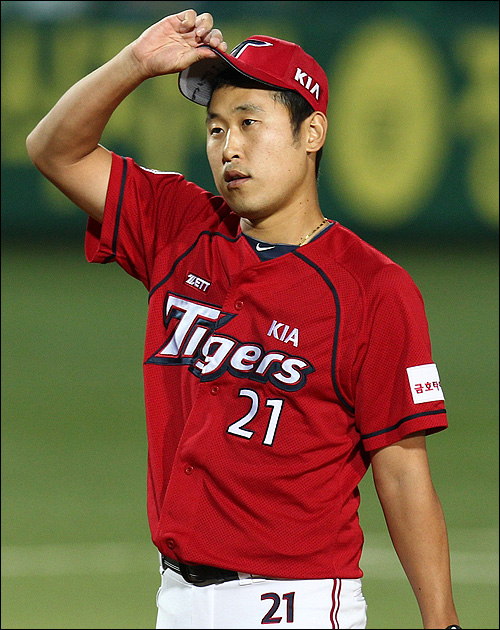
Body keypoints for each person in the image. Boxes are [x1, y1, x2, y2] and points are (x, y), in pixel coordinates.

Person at [26, 9, 461, 630]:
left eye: (249, 123)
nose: (229, 147)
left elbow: (402, 474)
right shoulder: (180, 227)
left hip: (295, 609)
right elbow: (54, 150)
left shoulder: (373, 289)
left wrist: (443, 624)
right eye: (215, 128)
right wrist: (135, 63)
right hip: (177, 602)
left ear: (312, 133)